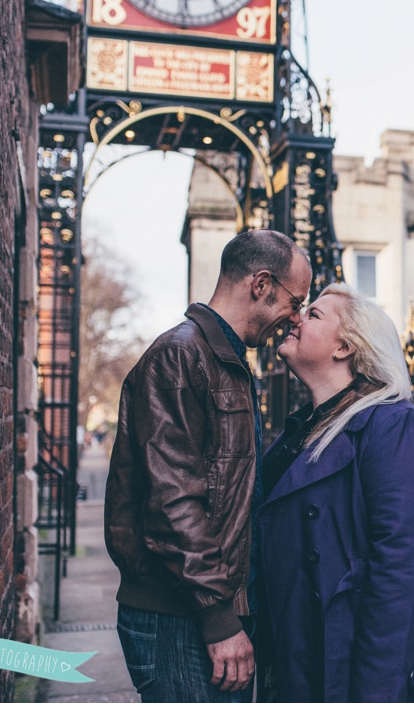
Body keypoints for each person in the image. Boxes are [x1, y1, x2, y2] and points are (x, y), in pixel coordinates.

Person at [254, 282, 414, 702]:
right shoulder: (303, 429)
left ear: (344, 348)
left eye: (313, 314)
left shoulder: (392, 425)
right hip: (307, 655)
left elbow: (399, 570)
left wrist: (376, 693)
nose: (296, 317)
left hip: (370, 664)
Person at [104, 229, 311, 703]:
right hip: (179, 618)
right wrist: (219, 618)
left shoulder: (228, 363)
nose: (295, 319)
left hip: (205, 610)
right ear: (261, 285)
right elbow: (172, 501)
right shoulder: (181, 355)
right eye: (295, 302)